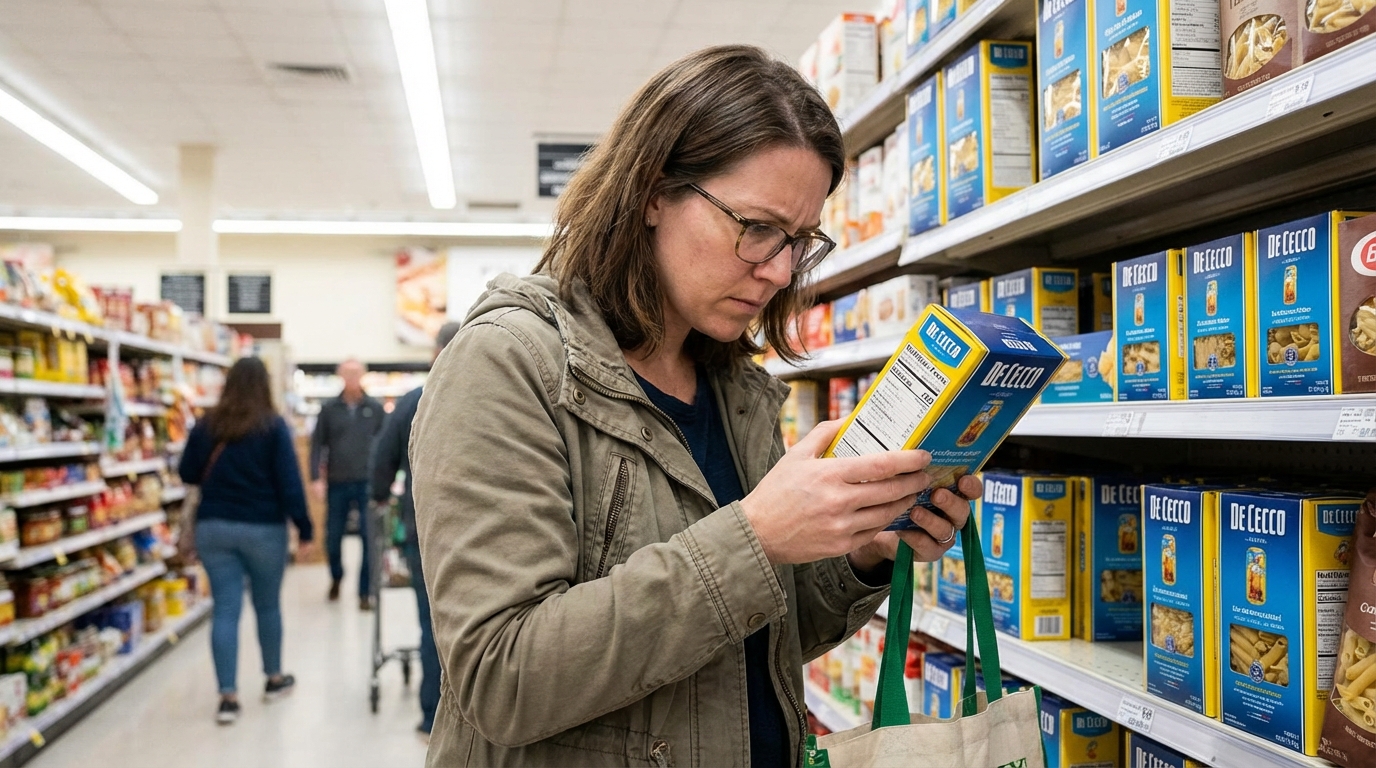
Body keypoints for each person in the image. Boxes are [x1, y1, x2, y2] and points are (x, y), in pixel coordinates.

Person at [410, 45, 981, 767]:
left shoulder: (734, 389)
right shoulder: (508, 363)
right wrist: (757, 535)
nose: (778, 270)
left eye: (800, 241)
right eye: (757, 227)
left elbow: (756, 637)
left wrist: (863, 550)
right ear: (653, 192)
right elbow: (501, 678)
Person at [179, 357, 316, 725]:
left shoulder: (208, 424)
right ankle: (273, 679)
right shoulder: (273, 427)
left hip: (215, 528)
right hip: (263, 529)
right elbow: (290, 482)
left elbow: (187, 471)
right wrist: (304, 527)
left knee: (225, 609)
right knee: (267, 606)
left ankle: (227, 698)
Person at [369, 321, 462, 741]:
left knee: (432, 625)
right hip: (481, 533)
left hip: (424, 529)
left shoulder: (413, 402)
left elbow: (380, 462)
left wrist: (377, 497)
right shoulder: (493, 394)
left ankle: (432, 715)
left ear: (435, 353)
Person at [309, 358, 385, 609]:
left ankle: (364, 592)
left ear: (362, 375)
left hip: (367, 482)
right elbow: (317, 444)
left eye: (356, 374)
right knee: (333, 536)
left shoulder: (374, 408)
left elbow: (385, 445)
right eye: (347, 374)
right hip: (337, 481)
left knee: (367, 536)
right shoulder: (330, 408)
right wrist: (315, 478)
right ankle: (336, 575)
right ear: (340, 376)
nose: (352, 379)